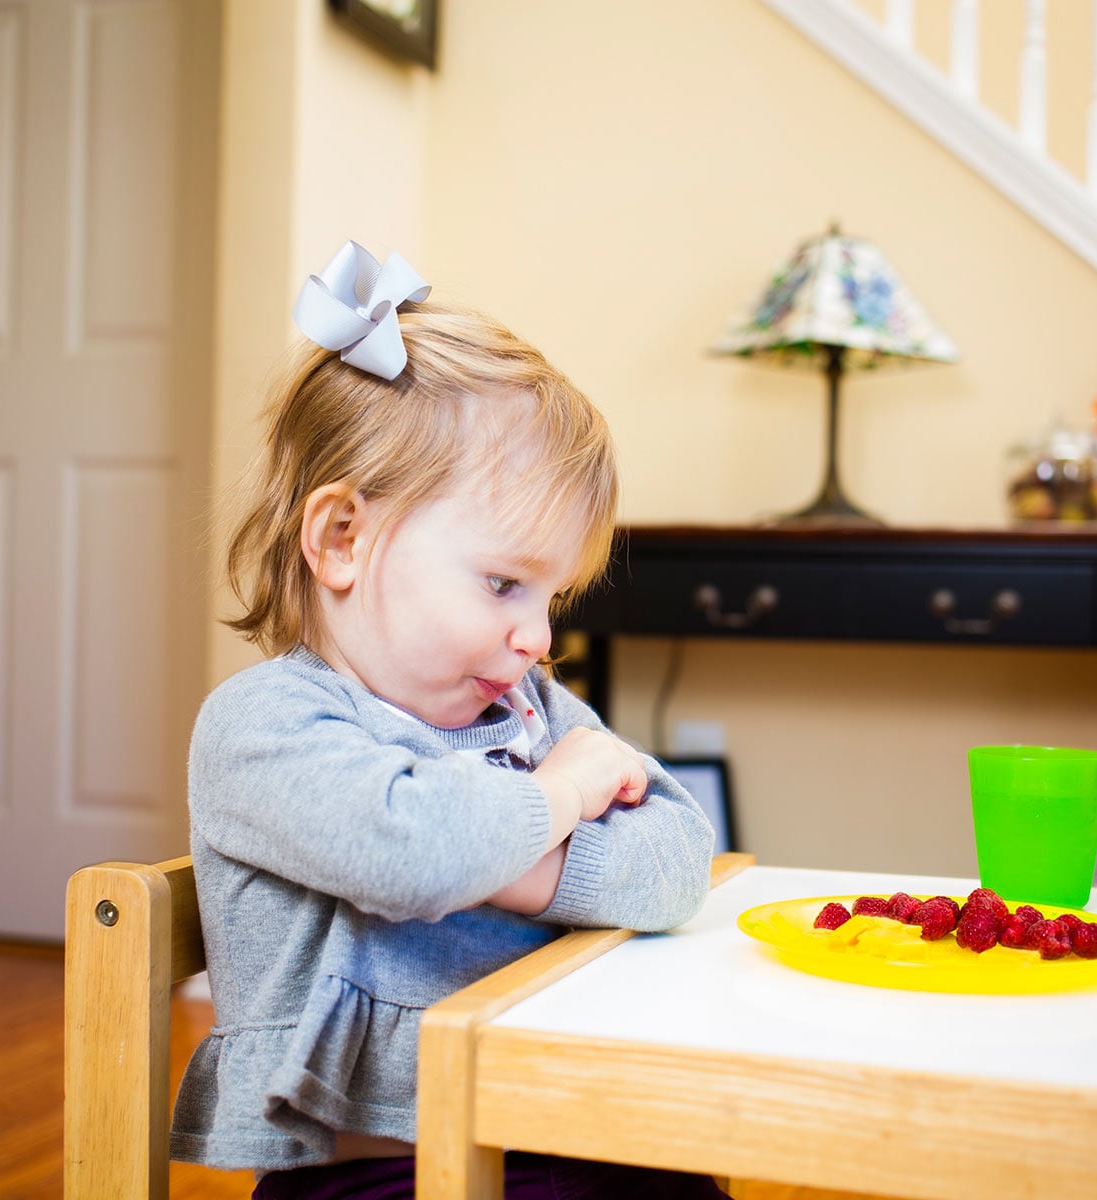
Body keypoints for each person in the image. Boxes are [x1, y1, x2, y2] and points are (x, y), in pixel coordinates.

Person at [171, 241, 722, 1199]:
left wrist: (518, 861)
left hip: (564, 1128)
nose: (538, 638)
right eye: (505, 583)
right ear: (342, 538)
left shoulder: (529, 708)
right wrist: (560, 795)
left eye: (551, 596)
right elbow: (411, 852)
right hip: (384, 1171)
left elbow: (678, 863)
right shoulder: (264, 727)